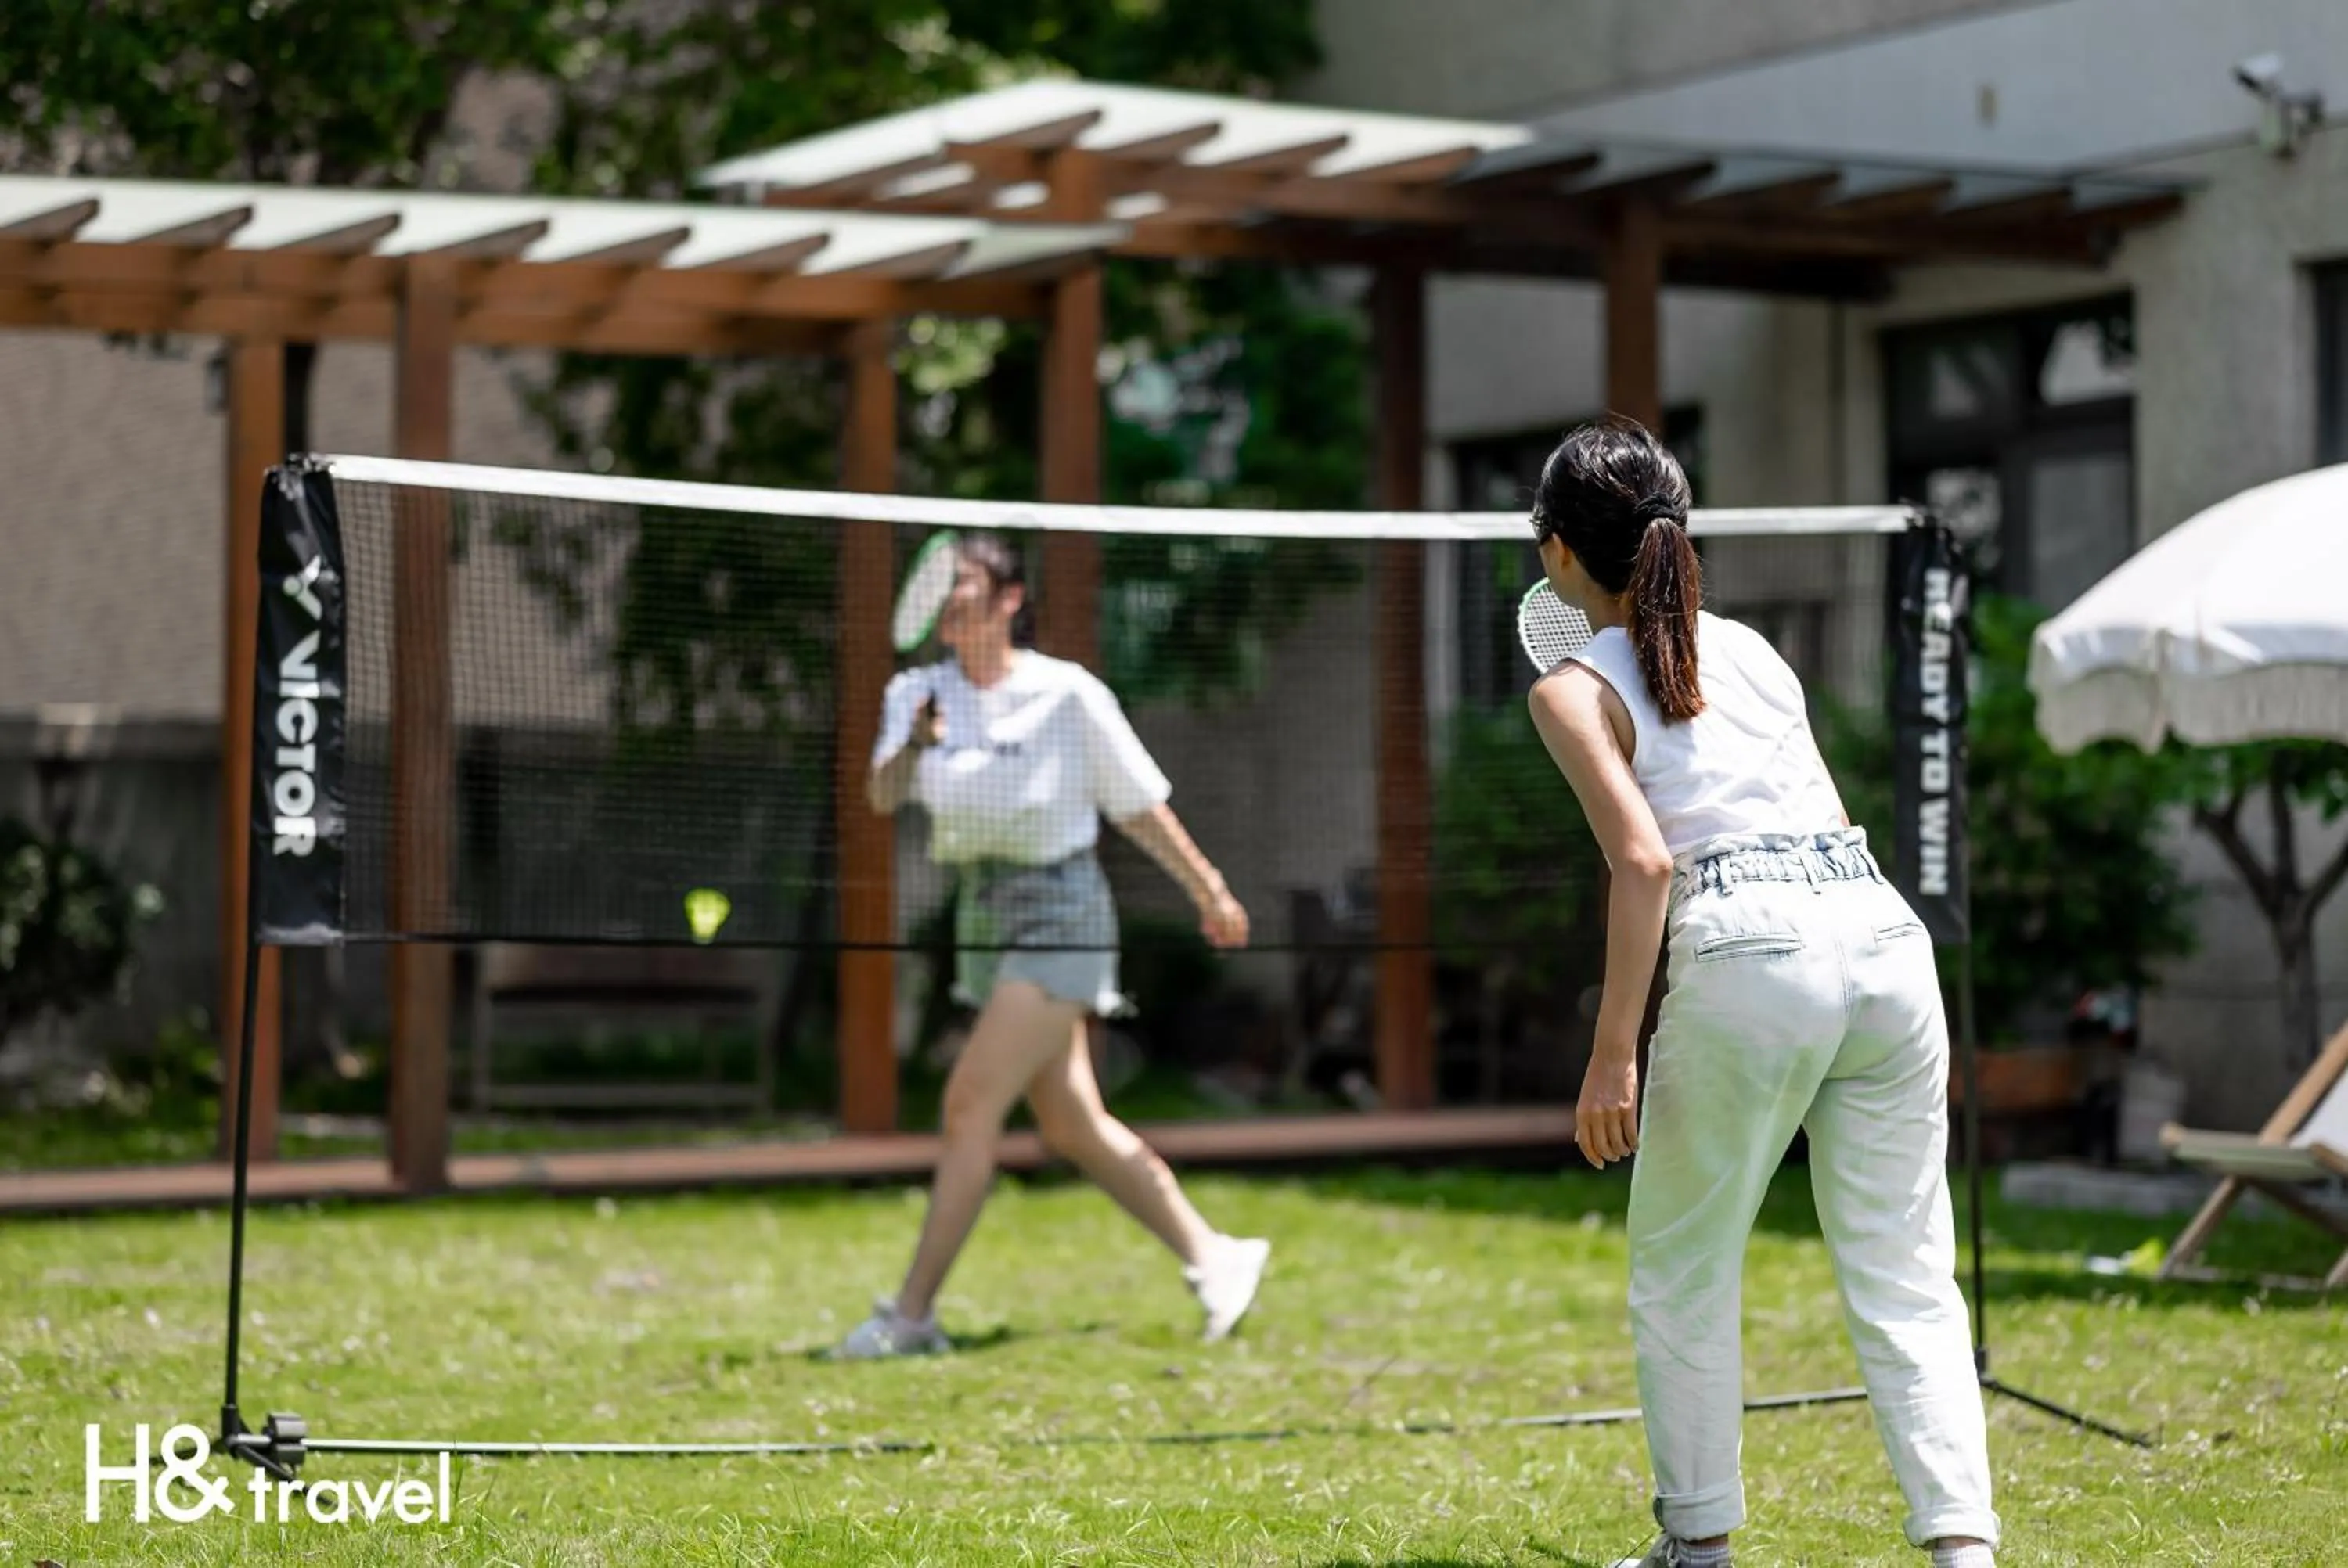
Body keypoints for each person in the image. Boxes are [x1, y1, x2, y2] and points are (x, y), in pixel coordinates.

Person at [1523, 421, 1999, 1568]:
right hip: (1879, 931)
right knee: (1904, 1261)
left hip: (1747, 946)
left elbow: (1644, 864)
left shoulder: (1574, 691)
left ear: (1556, 554)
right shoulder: (1755, 654)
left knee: (1683, 1268)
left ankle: (1699, 1546)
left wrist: (1610, 1056)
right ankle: (1963, 1546)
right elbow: (1823, 822)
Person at [836, 532, 1269, 1358]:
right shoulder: (916, 693)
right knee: (1072, 1124)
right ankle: (1216, 1256)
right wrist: (917, 741)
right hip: (984, 915)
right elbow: (882, 795)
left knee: (969, 1105)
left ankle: (912, 1316)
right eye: (943, 588)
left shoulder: (1067, 694)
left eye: (966, 584)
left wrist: (1208, 887)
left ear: (1008, 601)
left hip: (1063, 910)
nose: (949, 599)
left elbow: (1137, 804)